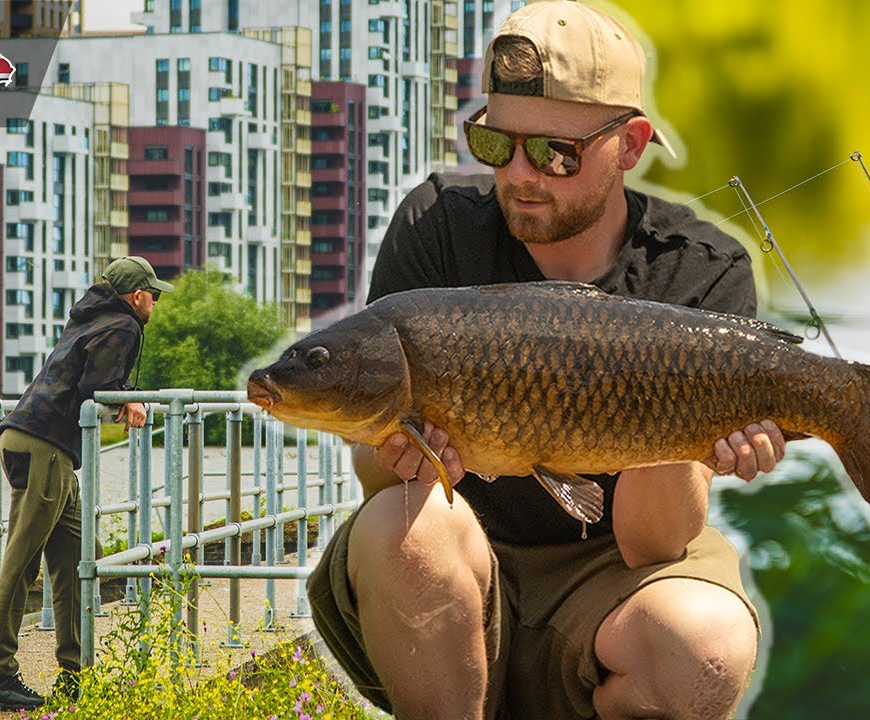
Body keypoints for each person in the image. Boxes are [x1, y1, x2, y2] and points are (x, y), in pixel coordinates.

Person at [308, 2, 787, 718]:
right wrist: (401, 450)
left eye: (555, 154)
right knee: (402, 527)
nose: (522, 175)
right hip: (459, 559)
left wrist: (680, 417)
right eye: (498, 145)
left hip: (614, 573)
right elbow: (380, 475)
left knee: (704, 645)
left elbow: (651, 541)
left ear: (629, 145)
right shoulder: (435, 229)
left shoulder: (700, 274)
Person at [0, 256, 172, 711]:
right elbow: (96, 387)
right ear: (138, 296)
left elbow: (86, 381)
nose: (156, 303)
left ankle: (76, 674)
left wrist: (120, 397)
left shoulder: (92, 317)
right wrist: (129, 401)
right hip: (41, 445)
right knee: (22, 562)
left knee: (77, 556)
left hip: (45, 446)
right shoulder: (123, 326)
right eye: (154, 295)